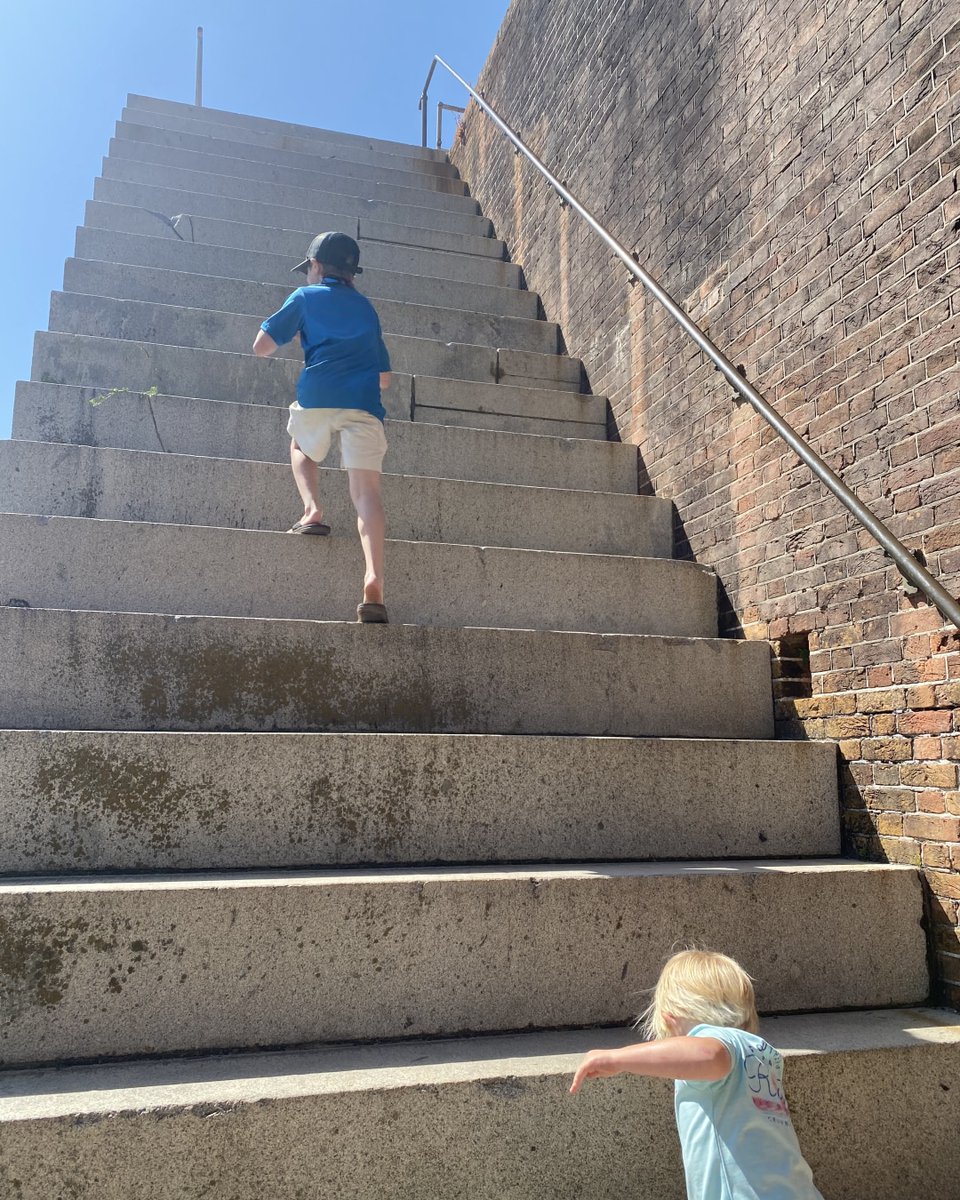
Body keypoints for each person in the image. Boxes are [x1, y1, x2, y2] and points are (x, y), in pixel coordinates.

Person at [569, 949, 824, 1200]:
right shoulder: (760, 1052)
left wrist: (617, 1059)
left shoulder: (716, 1041)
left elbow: (709, 1054)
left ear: (670, 1019)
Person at [253, 231, 393, 624]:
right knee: (367, 494)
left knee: (300, 445)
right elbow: (385, 378)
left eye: (308, 269)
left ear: (316, 266)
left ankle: (312, 510)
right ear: (352, 273)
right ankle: (374, 578)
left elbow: (261, 347)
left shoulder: (304, 297)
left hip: (318, 395)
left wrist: (300, 332)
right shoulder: (366, 309)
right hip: (363, 402)